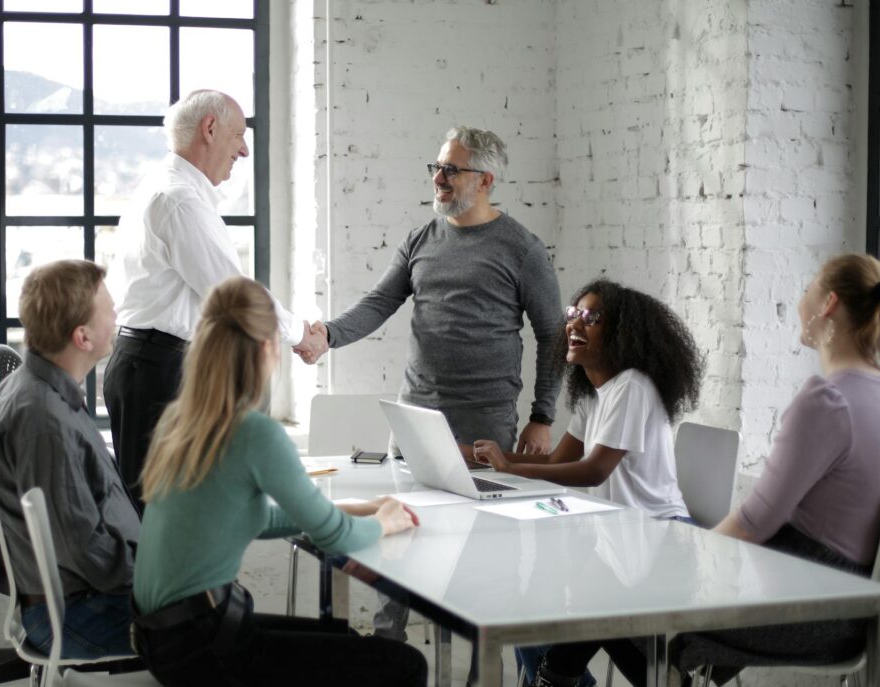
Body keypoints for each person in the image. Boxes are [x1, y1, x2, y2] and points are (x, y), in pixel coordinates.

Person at [306, 126, 564, 642]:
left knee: (479, 555)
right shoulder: (422, 238)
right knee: (398, 536)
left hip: (484, 420)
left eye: (452, 169)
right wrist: (328, 336)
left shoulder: (522, 249)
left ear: (486, 179)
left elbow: (553, 333)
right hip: (416, 416)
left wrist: (542, 415)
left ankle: (478, 664)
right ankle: (388, 654)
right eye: (437, 167)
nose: (438, 178)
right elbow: (380, 302)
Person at [129, 276, 427, 687]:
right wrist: (387, 522)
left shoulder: (179, 420)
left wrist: (359, 508)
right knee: (405, 664)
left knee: (341, 639)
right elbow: (336, 537)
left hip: (162, 638)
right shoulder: (253, 433)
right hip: (203, 647)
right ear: (269, 349)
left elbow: (250, 518)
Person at [470, 279, 703, 687]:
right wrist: (478, 458)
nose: (575, 324)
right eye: (573, 314)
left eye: (592, 317)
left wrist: (509, 468)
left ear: (622, 332)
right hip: (619, 539)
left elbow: (593, 471)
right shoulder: (595, 396)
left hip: (660, 541)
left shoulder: (633, 387)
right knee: (534, 622)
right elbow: (561, 460)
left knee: (577, 634)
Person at [663, 253, 880, 687]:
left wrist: (679, 571)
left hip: (801, 608)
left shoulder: (827, 401)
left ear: (829, 304)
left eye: (808, 289)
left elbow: (752, 523)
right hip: (846, 611)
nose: (801, 301)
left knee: (637, 613)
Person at [104, 89, 326, 506]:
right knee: (162, 517)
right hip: (157, 372)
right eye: (238, 135)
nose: (243, 150)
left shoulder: (166, 187)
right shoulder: (179, 200)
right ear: (209, 129)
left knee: (171, 510)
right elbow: (232, 294)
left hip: (154, 365)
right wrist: (300, 335)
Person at [0, 259, 139, 659]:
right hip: (79, 612)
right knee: (223, 636)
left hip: (89, 597)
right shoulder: (44, 421)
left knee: (227, 614)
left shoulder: (39, 388)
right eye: (109, 307)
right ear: (82, 337)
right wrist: (158, 576)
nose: (117, 312)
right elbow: (86, 551)